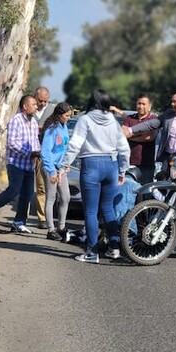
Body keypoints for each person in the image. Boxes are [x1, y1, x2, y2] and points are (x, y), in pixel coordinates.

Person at [61, 89, 131, 264]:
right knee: (108, 209)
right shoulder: (114, 122)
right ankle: (114, 248)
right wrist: (123, 170)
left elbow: (75, 144)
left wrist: (64, 164)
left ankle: (92, 252)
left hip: (91, 165)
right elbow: (124, 149)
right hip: (111, 165)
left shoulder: (85, 120)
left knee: (91, 211)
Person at [0, 95, 41, 233]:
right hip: (15, 163)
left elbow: (34, 141)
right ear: (25, 106)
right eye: (33, 104)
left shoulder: (33, 122)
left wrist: (39, 151)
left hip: (29, 164)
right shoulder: (16, 120)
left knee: (27, 194)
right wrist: (30, 152)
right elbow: (12, 143)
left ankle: (19, 221)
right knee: (14, 190)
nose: (36, 106)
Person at [123, 88, 176, 166]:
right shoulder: (168, 114)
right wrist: (130, 129)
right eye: (172, 101)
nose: (172, 104)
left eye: (175, 102)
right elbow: (151, 124)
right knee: (164, 182)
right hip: (167, 159)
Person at [40, 102, 73, 241]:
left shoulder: (64, 127)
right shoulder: (51, 130)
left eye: (70, 116)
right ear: (59, 115)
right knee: (51, 198)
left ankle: (61, 226)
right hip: (50, 168)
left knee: (66, 197)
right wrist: (52, 171)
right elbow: (45, 152)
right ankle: (50, 229)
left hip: (61, 169)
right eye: (66, 116)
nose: (68, 118)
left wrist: (65, 165)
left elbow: (65, 148)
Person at [112, 94, 158, 183]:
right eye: (139, 103)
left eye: (144, 104)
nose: (141, 106)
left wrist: (131, 135)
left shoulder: (153, 119)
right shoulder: (130, 118)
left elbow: (149, 137)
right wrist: (141, 134)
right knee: (127, 191)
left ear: (149, 106)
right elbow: (123, 134)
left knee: (145, 192)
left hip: (146, 164)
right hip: (129, 163)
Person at [32, 86, 55, 229]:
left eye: (45, 101)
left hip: (43, 154)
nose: (42, 104)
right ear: (35, 97)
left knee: (42, 188)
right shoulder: (28, 107)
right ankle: (20, 217)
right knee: (24, 186)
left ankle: (42, 218)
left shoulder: (51, 111)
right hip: (28, 152)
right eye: (40, 100)